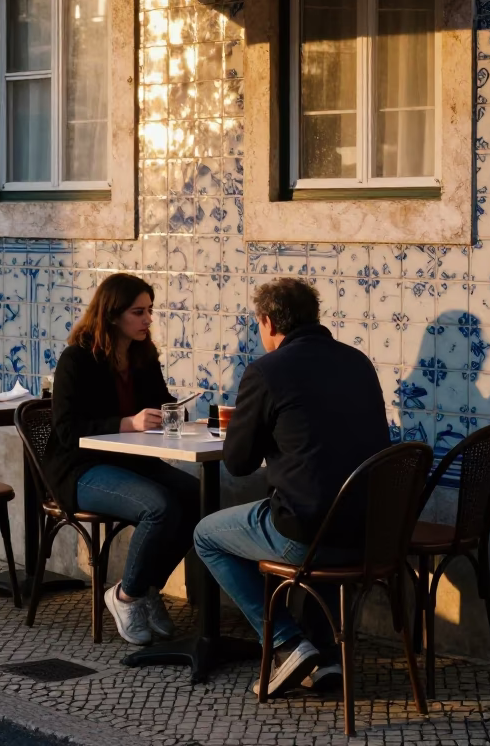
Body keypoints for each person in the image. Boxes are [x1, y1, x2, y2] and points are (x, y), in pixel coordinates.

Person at [193, 277, 390, 697]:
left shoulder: (267, 371)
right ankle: (328, 658)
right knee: (324, 515)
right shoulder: (358, 362)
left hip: (306, 535)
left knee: (206, 535)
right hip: (371, 532)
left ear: (267, 321)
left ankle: (285, 643)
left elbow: (239, 463)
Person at [44, 273, 200, 647]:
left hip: (132, 462)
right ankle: (126, 596)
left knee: (199, 497)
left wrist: (173, 414)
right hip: (80, 469)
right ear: (113, 315)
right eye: (138, 312)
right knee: (159, 507)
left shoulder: (143, 355)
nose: (148, 319)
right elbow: (66, 429)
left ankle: (146, 589)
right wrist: (127, 423)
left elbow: (161, 401)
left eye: (150, 310)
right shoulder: (77, 359)